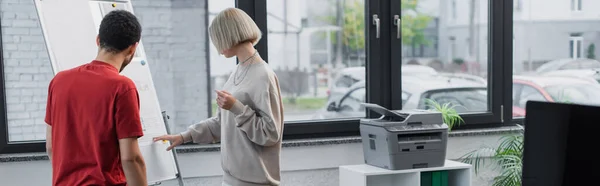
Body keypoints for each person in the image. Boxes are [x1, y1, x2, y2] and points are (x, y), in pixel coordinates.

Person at [153, 7, 284, 186]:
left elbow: (270, 134)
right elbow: (222, 122)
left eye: (218, 40)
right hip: (231, 179)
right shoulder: (238, 71)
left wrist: (236, 107)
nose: (217, 48)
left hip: (256, 182)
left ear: (229, 36)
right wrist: (184, 137)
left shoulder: (263, 75)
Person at [45, 10, 147, 186]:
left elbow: (51, 147)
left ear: (98, 40)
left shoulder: (59, 81)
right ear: (133, 48)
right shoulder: (122, 87)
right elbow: (131, 158)